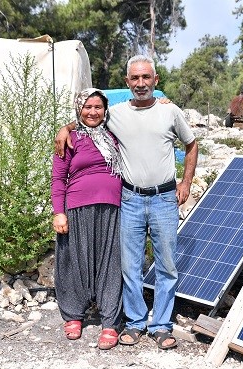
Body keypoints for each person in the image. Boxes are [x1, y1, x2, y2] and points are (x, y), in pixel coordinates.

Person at [55, 55, 198, 350]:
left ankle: (160, 325)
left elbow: (191, 143)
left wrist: (186, 182)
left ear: (156, 81)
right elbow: (89, 117)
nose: (141, 83)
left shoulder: (170, 112)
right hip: (130, 199)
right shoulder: (116, 113)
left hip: (163, 198)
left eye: (146, 78)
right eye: (135, 78)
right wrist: (65, 128)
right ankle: (134, 323)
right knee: (130, 267)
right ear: (127, 82)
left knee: (167, 265)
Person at [51, 88, 124, 350]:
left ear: (105, 110)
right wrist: (59, 211)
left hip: (112, 208)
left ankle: (110, 321)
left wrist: (161, 101)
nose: (92, 112)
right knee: (75, 261)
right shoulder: (69, 138)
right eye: (87, 107)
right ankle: (73, 314)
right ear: (79, 109)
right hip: (77, 207)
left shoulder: (115, 133)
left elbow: (139, 109)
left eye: (98, 107)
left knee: (110, 263)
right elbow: (58, 178)